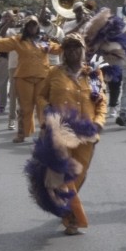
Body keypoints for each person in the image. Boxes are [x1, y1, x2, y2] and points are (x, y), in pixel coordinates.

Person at [27, 34, 106, 235]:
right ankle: (72, 218)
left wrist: (98, 123)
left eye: (76, 47)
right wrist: (47, 111)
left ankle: (65, 206)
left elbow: (101, 102)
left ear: (83, 50)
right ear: (63, 51)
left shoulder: (93, 73)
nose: (72, 52)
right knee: (62, 177)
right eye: (68, 48)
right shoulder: (54, 72)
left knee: (79, 175)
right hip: (59, 132)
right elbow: (41, 96)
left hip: (87, 134)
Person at [0, 17, 62, 143]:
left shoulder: (44, 40)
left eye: (34, 25)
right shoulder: (18, 39)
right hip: (24, 78)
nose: (32, 27)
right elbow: (1, 43)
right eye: (29, 25)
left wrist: (67, 43)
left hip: (42, 77)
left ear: (38, 27)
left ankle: (45, 134)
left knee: (43, 107)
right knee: (25, 107)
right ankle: (22, 133)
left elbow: (58, 49)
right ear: (26, 27)